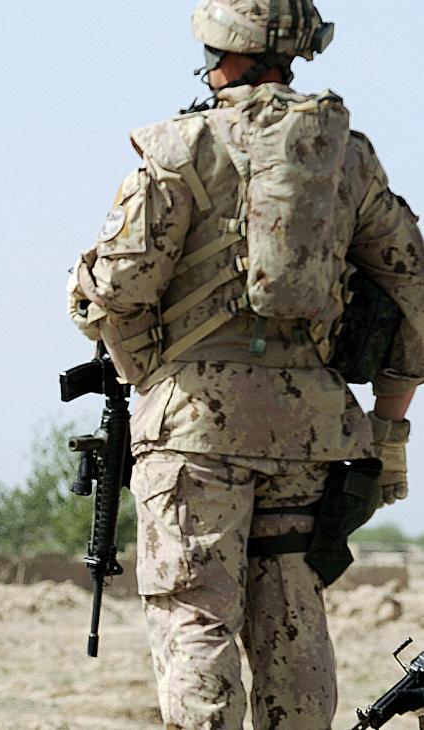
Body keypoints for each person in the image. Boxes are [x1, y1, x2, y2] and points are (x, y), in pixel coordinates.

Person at [67, 2, 424, 728]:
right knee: (294, 617)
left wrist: (148, 372)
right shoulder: (344, 156)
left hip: (192, 434)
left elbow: (106, 296)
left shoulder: (182, 149)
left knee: (196, 616)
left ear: (218, 50)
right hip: (311, 435)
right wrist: (391, 432)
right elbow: (412, 286)